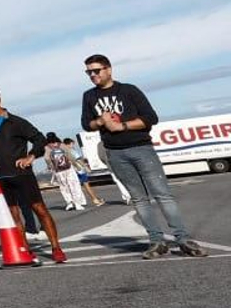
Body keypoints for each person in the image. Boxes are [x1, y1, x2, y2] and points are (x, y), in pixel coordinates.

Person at [81, 55, 205, 258]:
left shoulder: (129, 90)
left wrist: (122, 126)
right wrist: (100, 122)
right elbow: (87, 124)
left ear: (109, 69)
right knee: (139, 199)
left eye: (97, 70)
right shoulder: (89, 96)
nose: (93, 75)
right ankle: (156, 241)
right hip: (115, 152)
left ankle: (183, 239)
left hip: (141, 148)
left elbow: (150, 118)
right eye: (89, 72)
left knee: (163, 194)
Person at [0, 86, 66, 263]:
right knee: (14, 215)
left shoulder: (16, 122)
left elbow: (39, 139)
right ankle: (26, 250)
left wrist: (31, 156)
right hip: (1, 176)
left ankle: (56, 248)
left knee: (39, 209)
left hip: (22, 174)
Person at [42, 133, 85, 212]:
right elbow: (70, 156)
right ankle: (77, 203)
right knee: (74, 185)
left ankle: (69, 203)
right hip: (68, 169)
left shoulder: (47, 147)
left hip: (58, 171)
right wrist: (77, 166)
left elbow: (47, 159)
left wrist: (52, 167)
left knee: (64, 187)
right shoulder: (61, 145)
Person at [66, 139, 105, 208]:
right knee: (86, 185)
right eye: (72, 144)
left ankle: (76, 202)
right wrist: (86, 167)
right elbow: (78, 160)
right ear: (70, 143)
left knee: (74, 188)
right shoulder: (72, 151)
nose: (73, 146)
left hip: (71, 172)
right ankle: (95, 199)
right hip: (80, 170)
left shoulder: (64, 152)